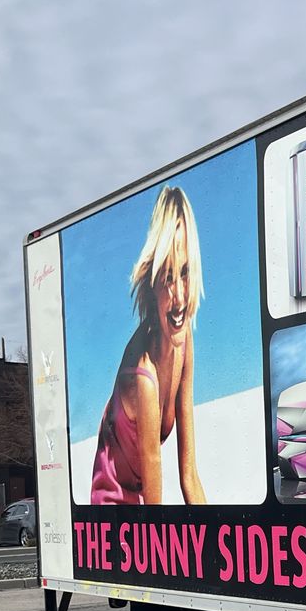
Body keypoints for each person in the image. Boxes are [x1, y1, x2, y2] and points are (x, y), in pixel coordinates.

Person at [89, 186, 207, 505]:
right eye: (167, 278)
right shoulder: (144, 377)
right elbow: (155, 513)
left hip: (141, 499)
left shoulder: (183, 345)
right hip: (113, 507)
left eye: (184, 273)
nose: (180, 298)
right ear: (152, 284)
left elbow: (189, 477)